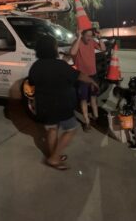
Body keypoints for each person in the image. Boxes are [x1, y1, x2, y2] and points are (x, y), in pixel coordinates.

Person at [29, 35, 99, 170]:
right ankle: (54, 158)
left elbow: (32, 82)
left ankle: (53, 155)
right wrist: (92, 81)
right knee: (71, 129)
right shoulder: (60, 65)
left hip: (44, 106)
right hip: (61, 105)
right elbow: (78, 75)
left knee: (52, 129)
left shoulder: (35, 66)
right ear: (52, 49)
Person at [70, 29, 106, 132]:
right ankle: (87, 122)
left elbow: (103, 49)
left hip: (93, 75)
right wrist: (78, 38)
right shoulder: (77, 42)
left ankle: (96, 117)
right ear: (82, 34)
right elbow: (72, 52)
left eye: (91, 36)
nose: (89, 38)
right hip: (82, 77)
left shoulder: (92, 42)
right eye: (87, 36)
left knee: (93, 97)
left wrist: (99, 38)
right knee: (84, 99)